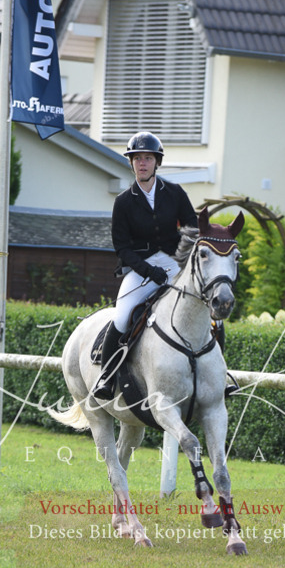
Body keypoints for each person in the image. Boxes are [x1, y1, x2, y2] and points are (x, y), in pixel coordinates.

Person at [92, 131, 198, 400]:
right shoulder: (123, 202)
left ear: (157, 162)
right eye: (137, 158)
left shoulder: (174, 193)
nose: (142, 163)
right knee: (123, 314)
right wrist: (148, 270)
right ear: (131, 163)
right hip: (140, 268)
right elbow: (122, 248)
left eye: (147, 158)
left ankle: (222, 374)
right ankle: (106, 376)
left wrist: (182, 262)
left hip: (174, 262)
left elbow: (192, 229)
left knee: (201, 305)